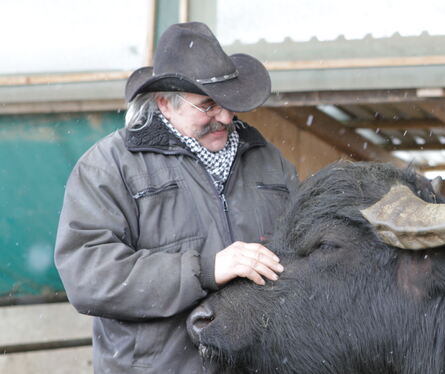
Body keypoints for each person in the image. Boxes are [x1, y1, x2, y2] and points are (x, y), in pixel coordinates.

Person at [54, 22, 298, 373]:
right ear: (165, 103)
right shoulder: (108, 167)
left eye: (229, 102)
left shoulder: (268, 160)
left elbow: (304, 250)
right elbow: (89, 277)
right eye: (209, 105)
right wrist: (205, 270)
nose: (226, 117)